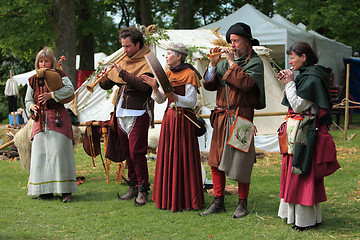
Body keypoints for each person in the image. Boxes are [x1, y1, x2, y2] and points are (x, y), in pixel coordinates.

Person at [199, 22, 265, 218]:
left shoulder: (255, 62)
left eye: (236, 41)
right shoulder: (222, 63)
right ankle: (218, 201)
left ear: (248, 42)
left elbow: (245, 84)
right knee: (215, 160)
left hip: (242, 117)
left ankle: (242, 204)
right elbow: (209, 85)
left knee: (242, 161)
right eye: (230, 41)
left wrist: (231, 62)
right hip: (221, 117)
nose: (233, 45)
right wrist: (212, 64)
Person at [277, 42, 339, 231]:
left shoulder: (312, 79)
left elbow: (298, 105)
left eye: (293, 57)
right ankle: (296, 216)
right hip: (298, 131)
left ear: (304, 57)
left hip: (306, 132)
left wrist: (289, 83)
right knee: (294, 172)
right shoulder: (306, 76)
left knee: (303, 173)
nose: (290, 61)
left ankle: (305, 220)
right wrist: (289, 84)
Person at [142, 43, 204, 211]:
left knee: (183, 157)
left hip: (184, 119)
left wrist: (174, 96)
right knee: (169, 156)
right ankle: (168, 198)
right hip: (170, 119)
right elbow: (161, 100)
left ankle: (186, 199)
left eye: (169, 54)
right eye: (166, 54)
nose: (167, 56)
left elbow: (191, 101)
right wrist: (154, 87)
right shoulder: (167, 74)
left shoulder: (190, 74)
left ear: (179, 56)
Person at [99, 27, 153, 205]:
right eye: (123, 46)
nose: (125, 50)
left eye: (128, 46)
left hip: (138, 112)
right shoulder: (124, 59)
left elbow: (144, 86)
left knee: (137, 152)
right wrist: (104, 77)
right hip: (121, 112)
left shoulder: (148, 60)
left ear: (138, 44)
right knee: (128, 153)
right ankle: (133, 185)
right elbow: (108, 85)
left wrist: (122, 72)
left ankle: (143, 190)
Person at [25, 47, 77, 202]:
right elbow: (28, 99)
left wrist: (52, 95)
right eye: (40, 61)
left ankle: (65, 191)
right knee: (41, 155)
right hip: (39, 120)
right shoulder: (33, 79)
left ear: (51, 62)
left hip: (58, 118)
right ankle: (44, 190)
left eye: (46, 60)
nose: (43, 63)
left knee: (59, 154)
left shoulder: (59, 75)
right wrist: (31, 107)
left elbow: (70, 90)